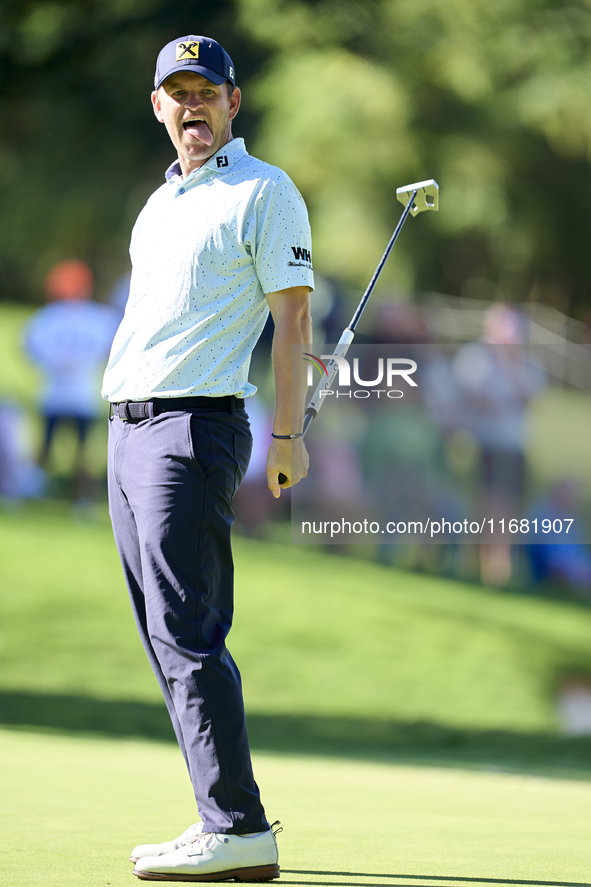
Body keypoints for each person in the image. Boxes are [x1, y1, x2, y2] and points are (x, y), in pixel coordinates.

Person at [101, 35, 313, 882]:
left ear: (233, 102)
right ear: (158, 107)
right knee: (163, 634)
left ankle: (238, 826)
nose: (191, 105)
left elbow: (291, 321)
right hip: (128, 427)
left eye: (206, 91)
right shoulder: (158, 204)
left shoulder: (265, 191)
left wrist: (289, 435)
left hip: (192, 429)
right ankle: (218, 816)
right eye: (176, 92)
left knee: (189, 630)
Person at [23, 260, 120, 501]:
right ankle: (70, 497)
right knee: (75, 449)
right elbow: (111, 347)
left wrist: (54, 362)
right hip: (76, 393)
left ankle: (44, 492)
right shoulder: (97, 317)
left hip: (64, 392)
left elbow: (28, 346)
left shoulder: (47, 317)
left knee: (68, 449)